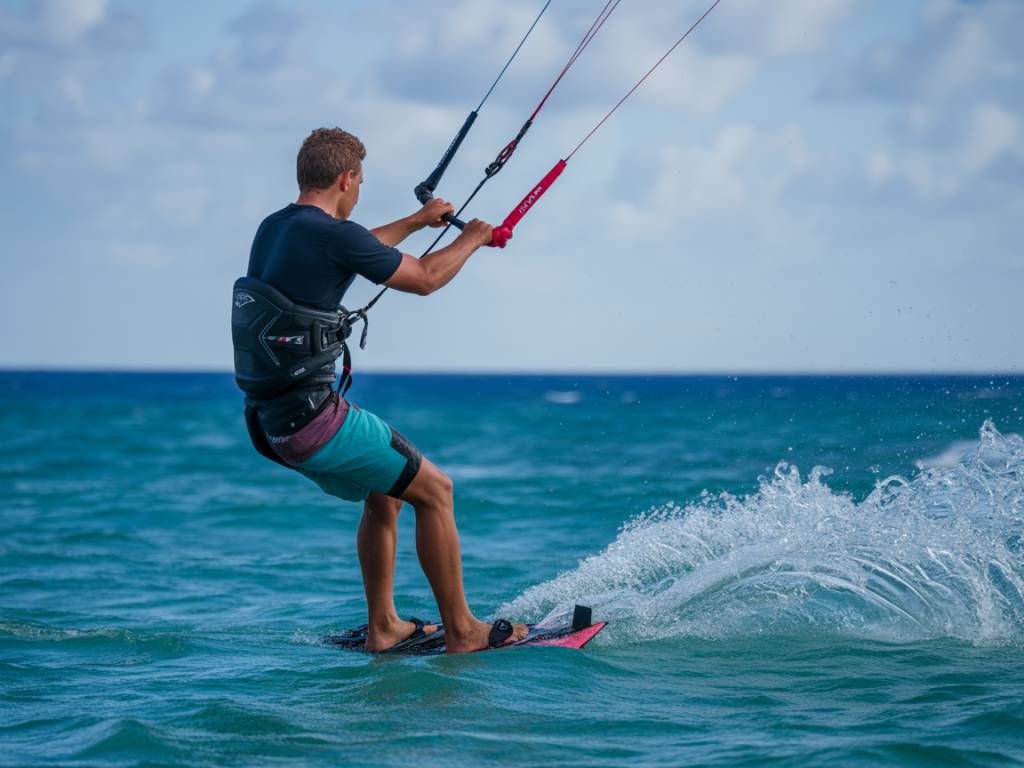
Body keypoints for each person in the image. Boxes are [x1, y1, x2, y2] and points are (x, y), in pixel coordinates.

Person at [235, 127, 527, 653]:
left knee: (386, 491)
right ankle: (464, 630)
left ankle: (384, 627)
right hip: (313, 419)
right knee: (436, 491)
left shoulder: (277, 228)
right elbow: (424, 280)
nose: (359, 190)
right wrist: (473, 238)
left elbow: (356, 246)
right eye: (361, 181)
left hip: (269, 423)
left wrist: (417, 222)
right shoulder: (331, 235)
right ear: (347, 179)